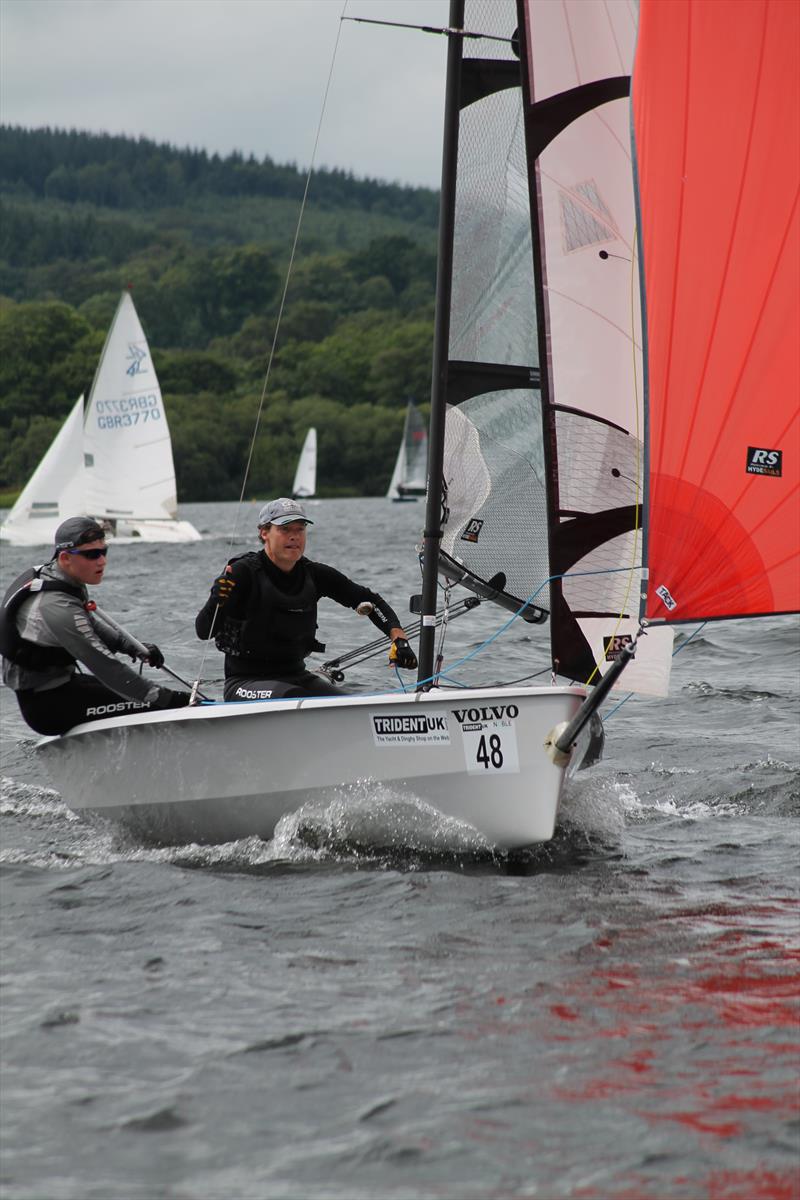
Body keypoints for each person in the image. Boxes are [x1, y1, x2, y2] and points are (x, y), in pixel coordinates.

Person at [195, 497, 418, 700]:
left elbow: (370, 601)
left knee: (349, 703)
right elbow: (203, 631)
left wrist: (398, 638)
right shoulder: (242, 572)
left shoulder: (314, 574)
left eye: (300, 529)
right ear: (264, 532)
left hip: (296, 676)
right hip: (244, 683)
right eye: (285, 529)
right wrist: (216, 600)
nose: (294, 536)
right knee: (293, 696)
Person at [1, 516, 191, 736]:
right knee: (165, 702)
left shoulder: (56, 577)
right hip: (48, 707)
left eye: (104, 552)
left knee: (150, 696)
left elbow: (88, 624)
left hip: (64, 686)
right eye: (92, 554)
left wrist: (132, 647)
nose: (102, 561)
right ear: (65, 557)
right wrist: (169, 699)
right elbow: (106, 667)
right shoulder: (56, 606)